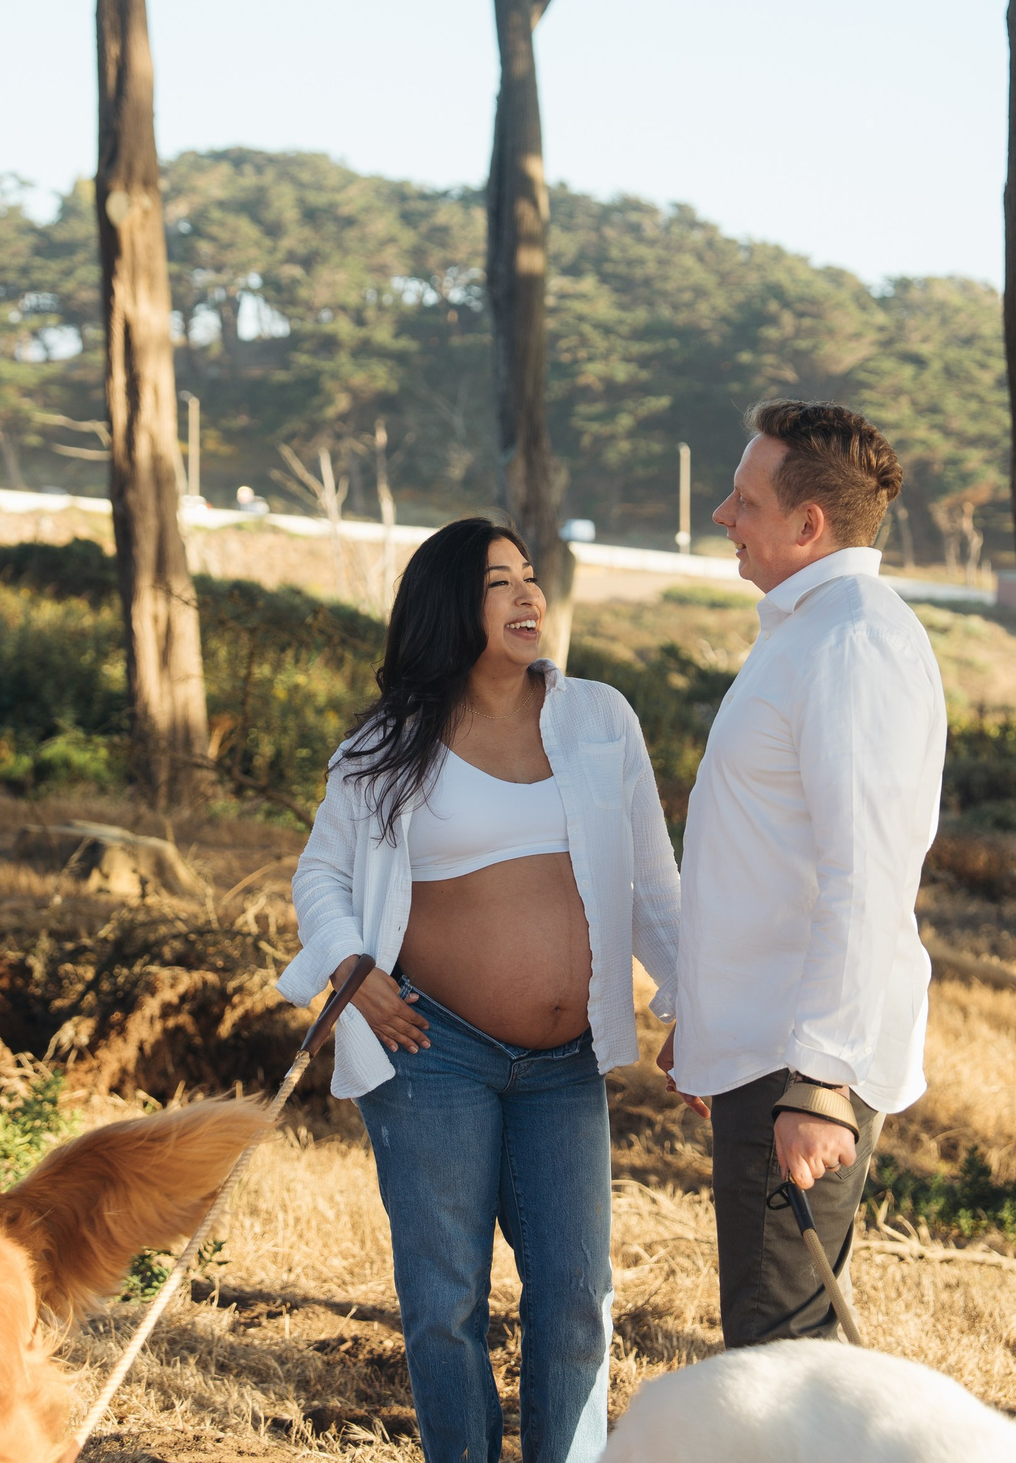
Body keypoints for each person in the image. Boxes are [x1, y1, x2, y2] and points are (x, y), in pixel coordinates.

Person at [280, 516, 681, 1463]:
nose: (527, 595)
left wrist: (693, 1010)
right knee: (445, 1302)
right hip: (435, 1052)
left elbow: (654, 886)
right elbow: (321, 876)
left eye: (531, 577)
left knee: (578, 1297)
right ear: (451, 605)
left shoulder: (599, 719)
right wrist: (353, 969)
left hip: (565, 1062)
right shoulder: (389, 742)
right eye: (500, 581)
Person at [656, 399, 944, 1348]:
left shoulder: (852, 642)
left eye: (743, 500)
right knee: (773, 1345)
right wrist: (703, 1015)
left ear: (807, 524)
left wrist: (819, 1081)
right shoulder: (806, 631)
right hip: (766, 1046)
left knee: (784, 1358)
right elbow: (765, 857)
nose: (722, 517)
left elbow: (865, 873)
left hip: (800, 1059)